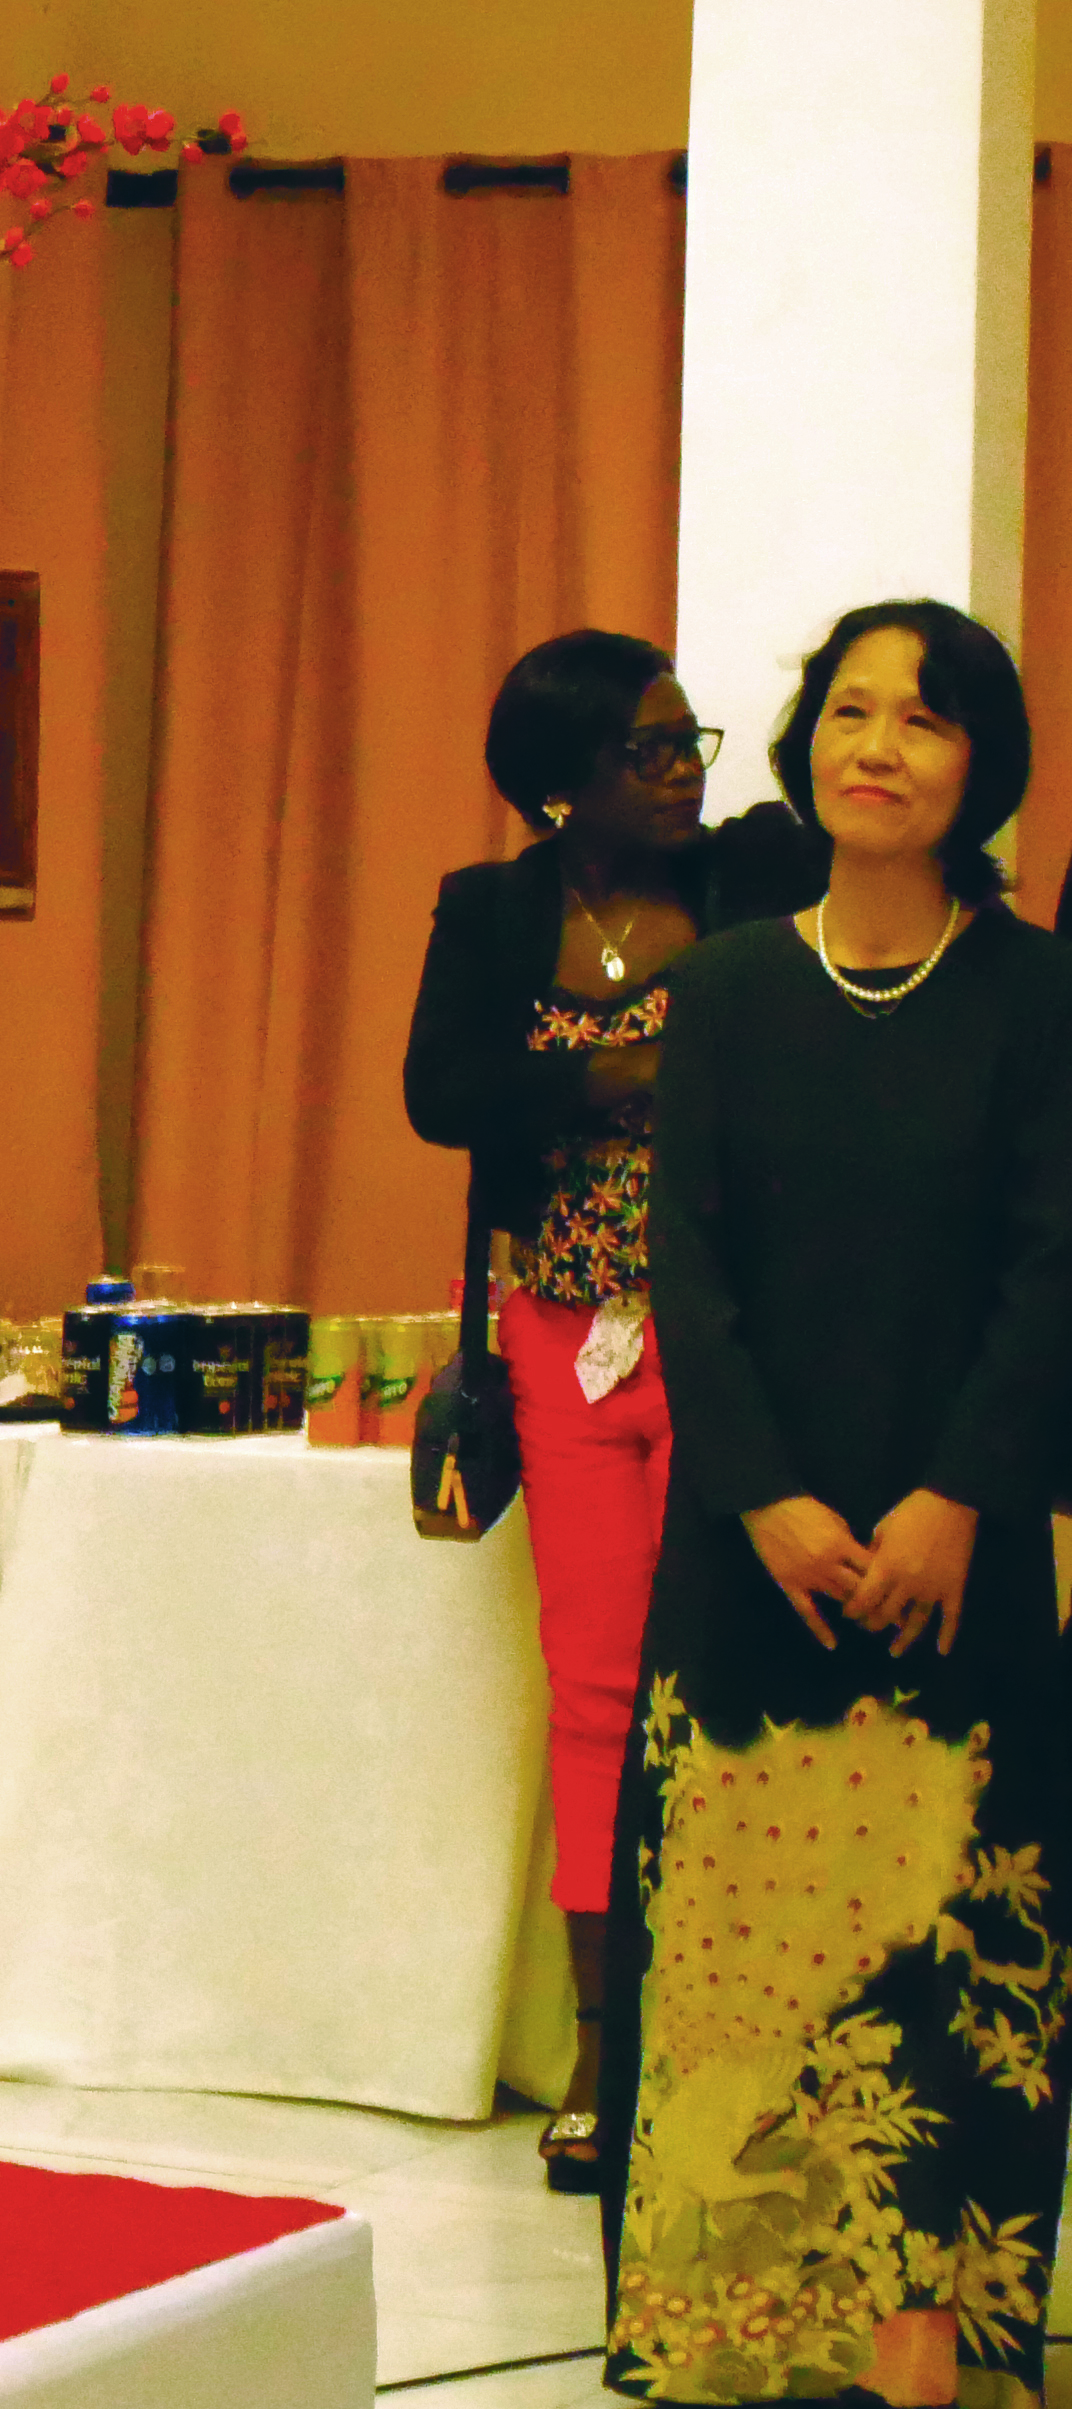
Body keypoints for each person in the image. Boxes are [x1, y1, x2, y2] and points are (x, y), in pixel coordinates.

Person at [613, 600, 1072, 2409]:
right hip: (754, 1539)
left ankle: (921, 2332)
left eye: (927, 719)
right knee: (747, 1928)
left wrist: (961, 1492)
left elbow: (1055, 1265)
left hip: (962, 1523)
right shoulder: (724, 987)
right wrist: (771, 1501)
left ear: (984, 769)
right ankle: (734, 2321)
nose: (878, 744)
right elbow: (688, 1268)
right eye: (851, 711)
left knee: (944, 1926)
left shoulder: (1037, 991)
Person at [400, 632, 816, 2190]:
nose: (682, 768)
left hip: (728, 1342)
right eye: (647, 749)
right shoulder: (493, 909)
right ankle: (601, 2043)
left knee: (725, 1674)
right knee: (594, 1691)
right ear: (560, 782)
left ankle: (739, 2030)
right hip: (556, 1334)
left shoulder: (753, 879)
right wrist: (619, 1068)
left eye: (687, 738)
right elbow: (442, 1095)